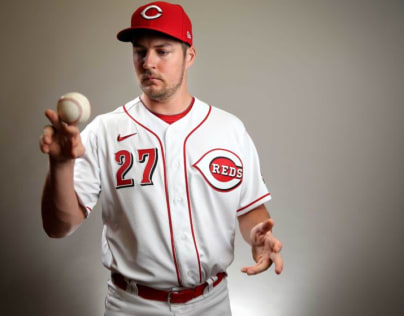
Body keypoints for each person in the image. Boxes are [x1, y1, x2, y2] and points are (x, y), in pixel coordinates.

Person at [39, 2, 283, 315]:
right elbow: (58, 226)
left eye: (162, 51)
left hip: (212, 303)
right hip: (132, 305)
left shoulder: (228, 129)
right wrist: (59, 165)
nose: (148, 62)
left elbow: (251, 209)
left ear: (189, 56)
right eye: (140, 51)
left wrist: (258, 236)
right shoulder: (104, 130)